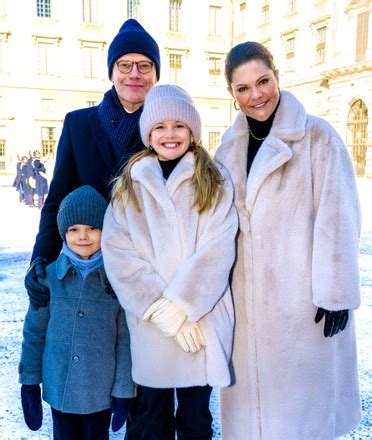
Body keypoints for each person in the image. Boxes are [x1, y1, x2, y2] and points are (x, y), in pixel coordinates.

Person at [215, 41, 362, 440]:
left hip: (303, 308)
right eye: (243, 88)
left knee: (301, 422)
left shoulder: (317, 138)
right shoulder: (226, 152)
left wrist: (336, 294)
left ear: (277, 77)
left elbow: (339, 217)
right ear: (231, 94)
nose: (256, 95)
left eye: (263, 81)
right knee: (251, 422)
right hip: (244, 316)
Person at [101, 84, 238, 440]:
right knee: (152, 419)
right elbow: (119, 255)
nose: (170, 134)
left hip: (200, 323)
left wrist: (183, 307)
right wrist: (163, 312)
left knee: (195, 420)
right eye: (160, 127)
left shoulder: (215, 181)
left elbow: (217, 250)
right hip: (152, 329)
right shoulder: (129, 186)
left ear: (192, 132)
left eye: (179, 125)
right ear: (149, 133)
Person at [24, 17, 160, 308]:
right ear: (112, 72)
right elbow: (56, 199)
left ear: (155, 75)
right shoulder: (78, 124)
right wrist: (40, 258)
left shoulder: (166, 130)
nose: (134, 73)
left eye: (144, 66)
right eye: (125, 65)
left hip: (147, 274)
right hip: (89, 270)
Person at [19, 185, 135, 440]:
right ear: (64, 233)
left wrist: (123, 390)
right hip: (59, 388)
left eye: (92, 228)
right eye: (74, 229)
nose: (83, 236)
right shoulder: (48, 278)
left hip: (99, 392)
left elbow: (125, 341)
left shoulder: (116, 282)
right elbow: (34, 333)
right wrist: (29, 381)